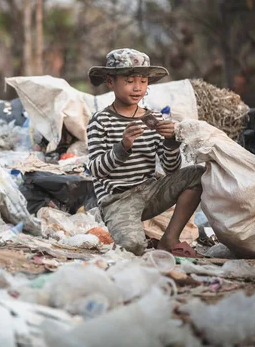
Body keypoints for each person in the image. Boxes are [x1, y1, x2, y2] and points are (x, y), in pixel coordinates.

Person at [87, 48, 204, 257]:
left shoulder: (154, 119)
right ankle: (131, 231)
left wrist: (171, 142)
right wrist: (122, 147)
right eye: (130, 80)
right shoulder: (100, 121)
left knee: (197, 175)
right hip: (117, 200)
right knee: (134, 247)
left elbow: (170, 169)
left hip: (150, 191)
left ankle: (169, 239)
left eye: (143, 81)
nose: (137, 87)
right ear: (110, 81)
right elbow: (95, 170)